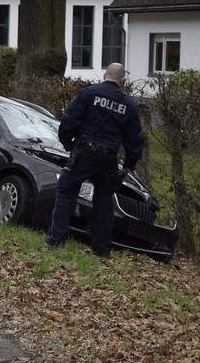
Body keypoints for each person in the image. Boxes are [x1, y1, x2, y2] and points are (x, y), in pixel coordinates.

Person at [46, 63, 145, 258]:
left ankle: (56, 241)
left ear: (104, 75)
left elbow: (68, 121)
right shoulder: (129, 105)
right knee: (104, 202)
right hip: (109, 158)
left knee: (66, 193)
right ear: (122, 81)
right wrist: (129, 164)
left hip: (85, 153)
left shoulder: (88, 93)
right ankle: (102, 249)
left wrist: (69, 144)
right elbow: (135, 140)